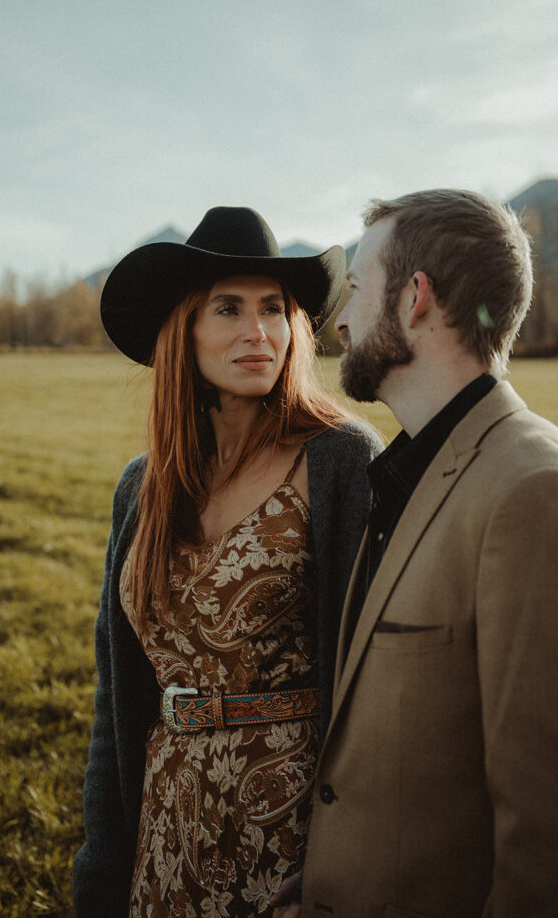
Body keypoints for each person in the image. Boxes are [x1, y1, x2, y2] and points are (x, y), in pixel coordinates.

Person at [278, 189, 558, 917]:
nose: (337, 318)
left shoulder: (537, 495)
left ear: (414, 298)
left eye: (354, 288)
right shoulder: (415, 470)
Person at [71, 206, 383, 918]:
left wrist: (342, 866)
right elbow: (114, 700)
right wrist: (101, 870)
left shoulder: (339, 462)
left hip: (292, 842)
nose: (258, 332)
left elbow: (379, 689)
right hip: (164, 831)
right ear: (185, 329)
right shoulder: (141, 489)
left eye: (274, 309)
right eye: (229, 308)